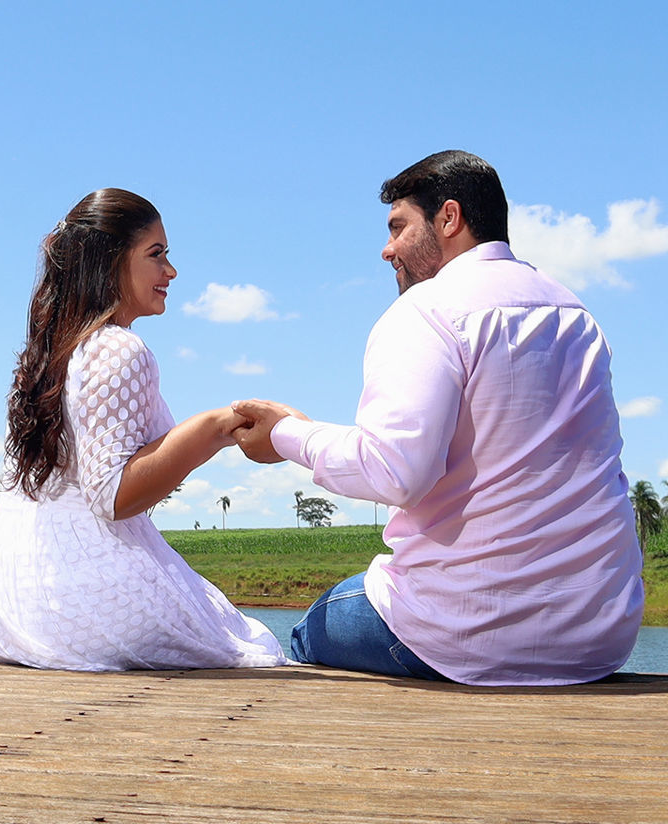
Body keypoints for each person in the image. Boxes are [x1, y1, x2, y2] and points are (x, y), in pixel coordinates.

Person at [232, 151, 644, 685]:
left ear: (449, 219)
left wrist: (287, 433)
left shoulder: (426, 310)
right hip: (600, 635)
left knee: (311, 629)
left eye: (398, 228)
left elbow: (395, 472)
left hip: (463, 633)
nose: (387, 250)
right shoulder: (576, 315)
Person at [0, 188, 287, 671]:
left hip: (10, 605)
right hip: (88, 602)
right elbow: (112, 496)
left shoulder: (58, 349)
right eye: (156, 254)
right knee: (258, 645)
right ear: (110, 262)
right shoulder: (118, 349)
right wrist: (215, 425)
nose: (171, 271)